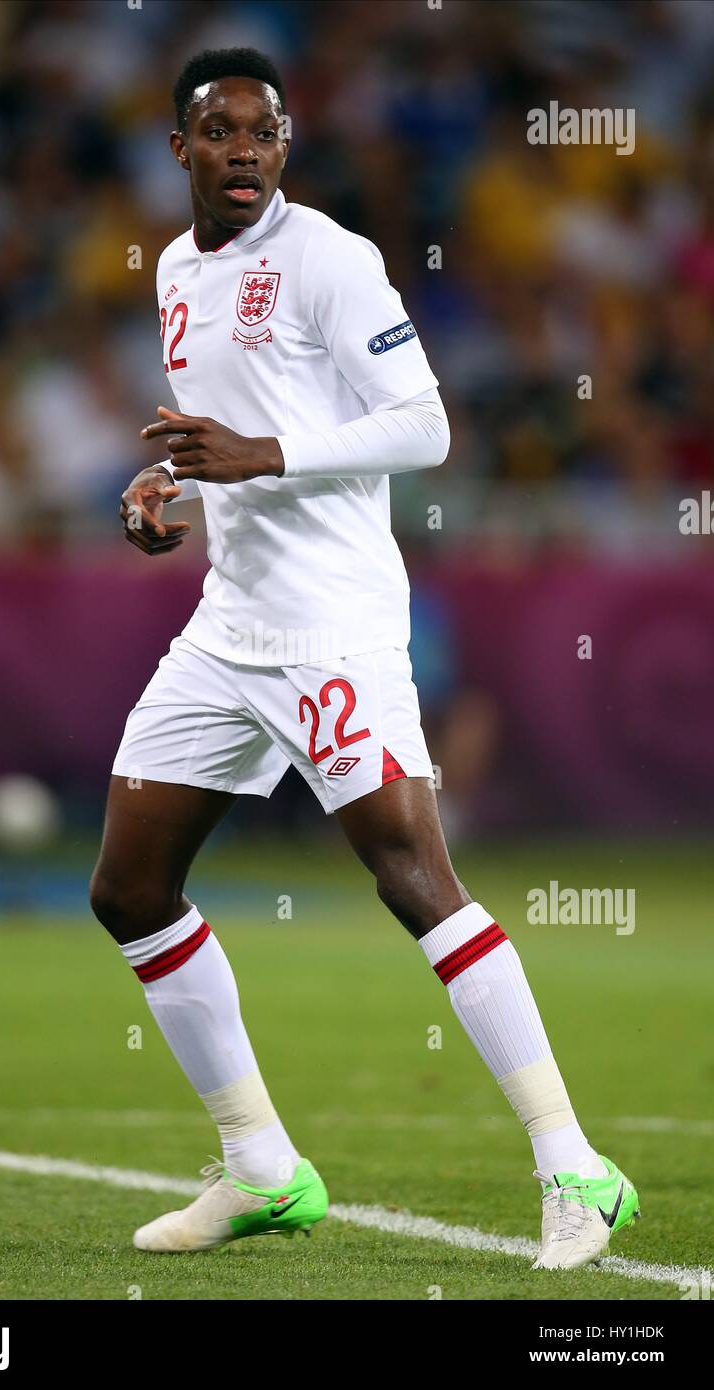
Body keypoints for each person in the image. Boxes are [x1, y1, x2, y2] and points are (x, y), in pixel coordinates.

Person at [90, 48, 639, 1267]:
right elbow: (219, 436)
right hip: (228, 624)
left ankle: (577, 1169)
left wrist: (262, 455)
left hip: (333, 623)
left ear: (286, 148)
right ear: (177, 150)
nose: (244, 150)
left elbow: (426, 425)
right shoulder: (179, 268)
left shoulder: (330, 259)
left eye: (265, 133)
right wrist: (168, 482)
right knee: (128, 889)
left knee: (410, 877)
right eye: (218, 131)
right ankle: (262, 1167)